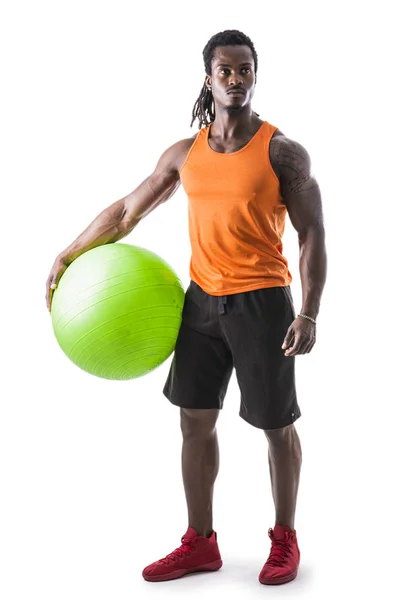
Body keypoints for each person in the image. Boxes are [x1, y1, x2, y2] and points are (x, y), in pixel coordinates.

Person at [46, 29, 327, 586]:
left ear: (255, 74)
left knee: (276, 426)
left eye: (245, 69)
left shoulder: (281, 151)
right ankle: (200, 542)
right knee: (194, 422)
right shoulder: (185, 154)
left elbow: (312, 233)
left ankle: (285, 539)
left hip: (263, 304)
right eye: (225, 70)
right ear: (209, 77)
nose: (236, 78)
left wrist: (309, 311)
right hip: (200, 304)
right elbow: (127, 212)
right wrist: (69, 252)